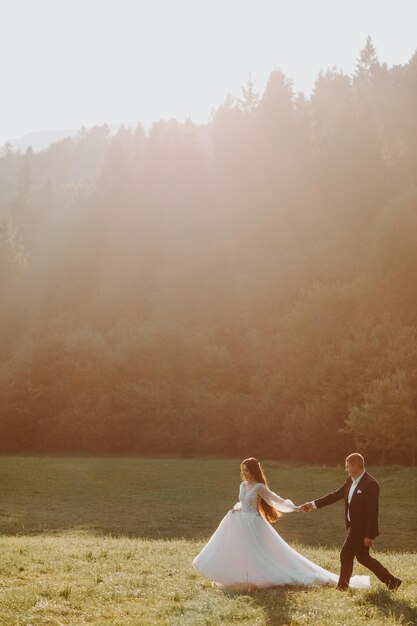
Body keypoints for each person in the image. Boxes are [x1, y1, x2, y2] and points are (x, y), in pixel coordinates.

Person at [192, 457, 369, 590]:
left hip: (254, 523)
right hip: (240, 521)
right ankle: (238, 576)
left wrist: (295, 508)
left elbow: (276, 500)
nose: (245, 473)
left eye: (247, 470)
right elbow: (243, 502)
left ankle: (261, 576)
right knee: (239, 550)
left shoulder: (260, 487)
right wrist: (236, 509)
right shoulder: (242, 485)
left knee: (259, 552)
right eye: (243, 470)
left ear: (254, 470)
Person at [300, 452, 402, 591]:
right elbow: (336, 495)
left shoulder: (370, 484)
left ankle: (342, 588)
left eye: (348, 466)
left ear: (356, 466)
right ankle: (392, 581)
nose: (346, 469)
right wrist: (312, 504)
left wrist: (370, 535)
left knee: (345, 554)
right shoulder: (350, 480)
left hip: (361, 529)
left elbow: (373, 512)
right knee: (363, 558)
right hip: (354, 527)